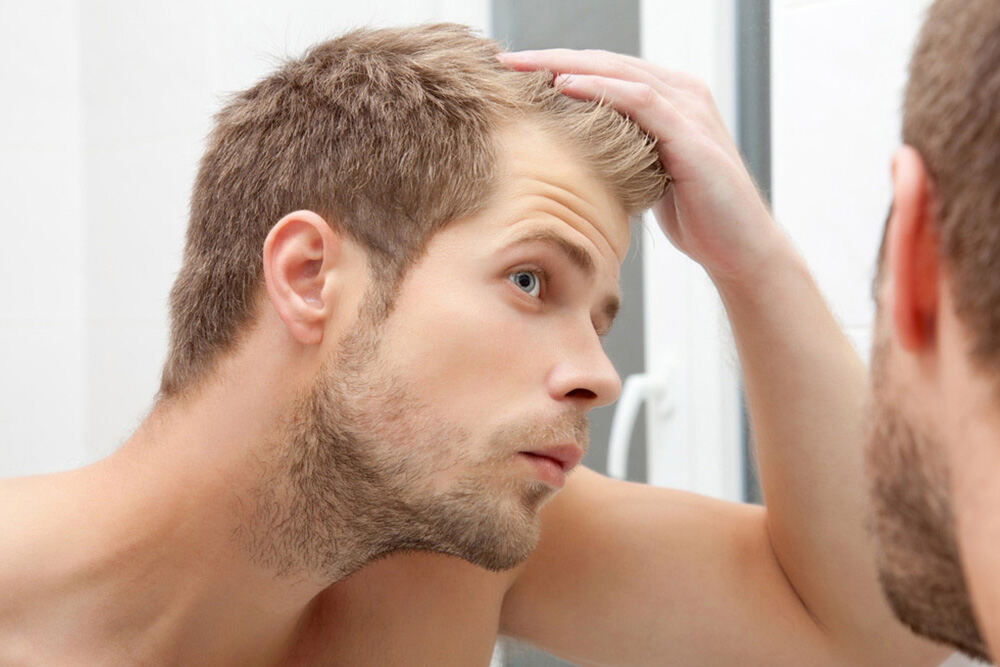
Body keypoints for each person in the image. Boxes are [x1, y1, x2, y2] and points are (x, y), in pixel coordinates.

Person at [0, 7, 962, 665]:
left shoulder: (442, 560)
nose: (599, 375)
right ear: (308, 277)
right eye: (531, 279)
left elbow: (878, 637)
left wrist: (751, 260)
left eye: (599, 319)